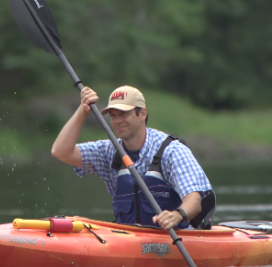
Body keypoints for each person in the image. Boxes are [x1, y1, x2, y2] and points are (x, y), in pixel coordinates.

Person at [51, 85, 215, 230]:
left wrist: (177, 215)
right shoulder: (109, 150)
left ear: (142, 114)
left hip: (174, 238)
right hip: (128, 238)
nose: (117, 121)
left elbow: (194, 200)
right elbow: (61, 151)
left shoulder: (171, 151)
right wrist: (83, 111)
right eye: (113, 116)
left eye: (123, 114)